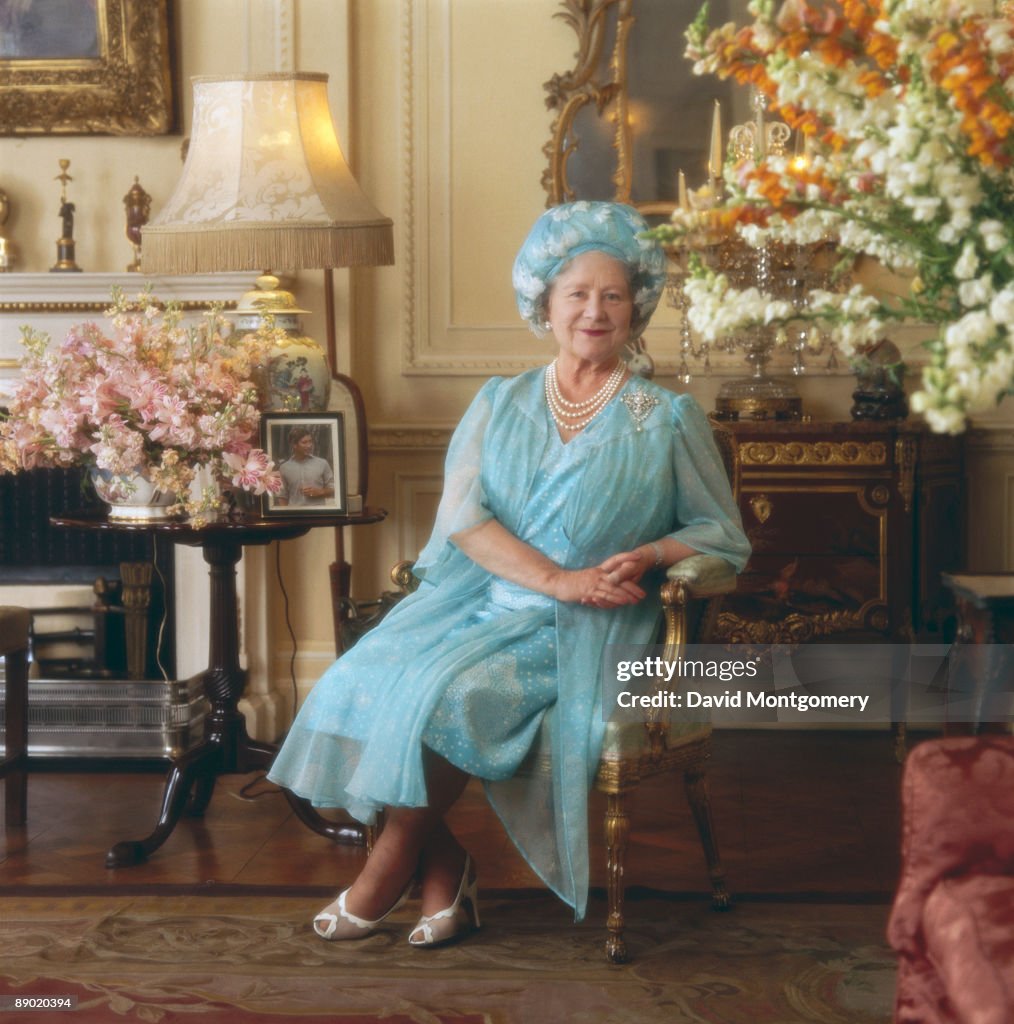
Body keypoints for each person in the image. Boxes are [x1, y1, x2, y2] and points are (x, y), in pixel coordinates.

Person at [267, 200, 750, 948]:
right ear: (545, 305)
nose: (595, 311)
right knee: (359, 679)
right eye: (577, 294)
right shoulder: (501, 400)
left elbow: (719, 534)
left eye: (613, 295)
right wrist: (557, 577)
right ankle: (446, 868)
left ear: (637, 308)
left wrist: (653, 556)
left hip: (594, 622)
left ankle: (389, 866)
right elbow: (465, 520)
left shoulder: (667, 416)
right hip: (485, 602)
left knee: (445, 698)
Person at [276, 427, 335, 506]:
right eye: (304, 442)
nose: (309, 445)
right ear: (294, 445)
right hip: (294, 515)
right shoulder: (284, 468)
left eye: (310, 441)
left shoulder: (323, 463)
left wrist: (319, 492)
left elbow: (334, 489)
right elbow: (282, 496)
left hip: (318, 515)